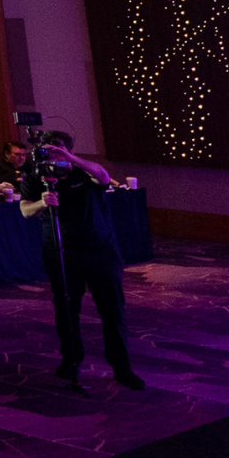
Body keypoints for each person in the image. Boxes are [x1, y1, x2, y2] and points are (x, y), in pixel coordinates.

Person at [22, 134, 141, 389]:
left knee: (113, 311)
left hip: (100, 250)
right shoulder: (36, 176)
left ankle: (122, 368)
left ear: (69, 150)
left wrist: (70, 159)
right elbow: (24, 210)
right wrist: (42, 203)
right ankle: (71, 362)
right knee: (66, 310)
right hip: (61, 251)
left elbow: (104, 177)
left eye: (59, 150)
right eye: (48, 150)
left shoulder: (81, 171)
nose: (53, 155)